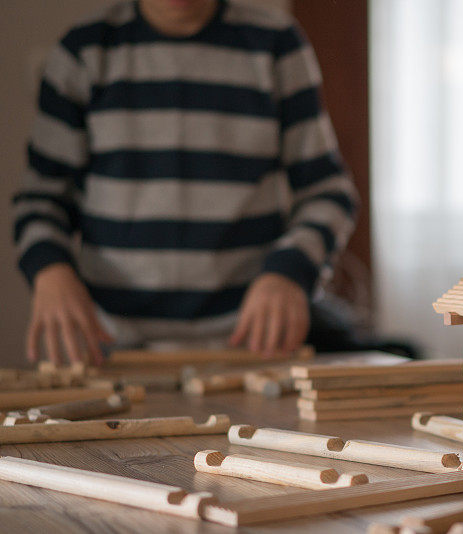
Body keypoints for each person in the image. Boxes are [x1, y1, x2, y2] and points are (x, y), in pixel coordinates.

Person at [12, 0, 358, 365]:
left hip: (248, 349)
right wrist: (51, 271)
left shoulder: (276, 44)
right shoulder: (83, 50)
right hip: (111, 350)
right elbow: (40, 200)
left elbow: (328, 193)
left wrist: (290, 271)